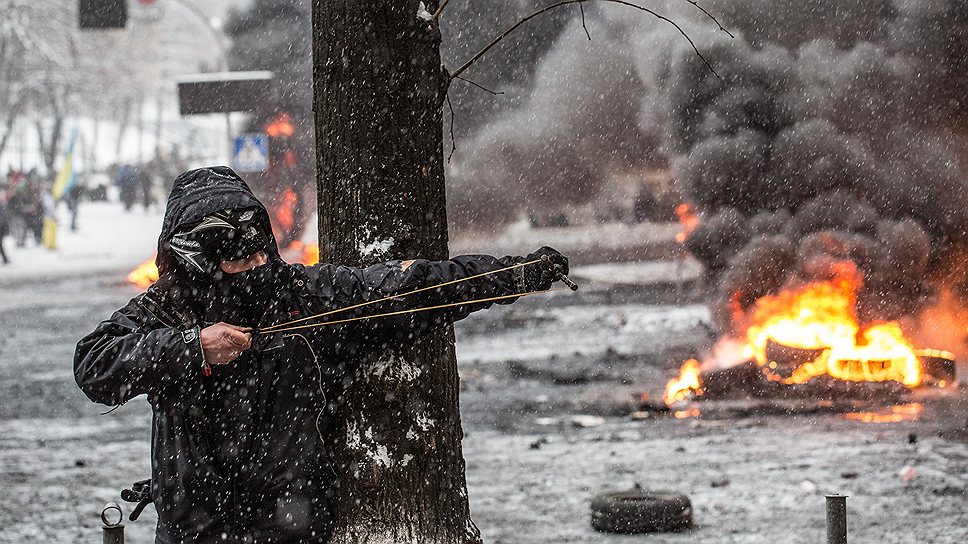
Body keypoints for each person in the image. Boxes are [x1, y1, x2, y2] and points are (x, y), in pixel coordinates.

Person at [74, 166, 569, 544]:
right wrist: (191, 347)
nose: (258, 262)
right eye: (239, 253)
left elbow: (413, 287)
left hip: (291, 525)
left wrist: (515, 275)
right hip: (193, 528)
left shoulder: (301, 294)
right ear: (198, 258)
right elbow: (94, 365)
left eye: (260, 247)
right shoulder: (165, 308)